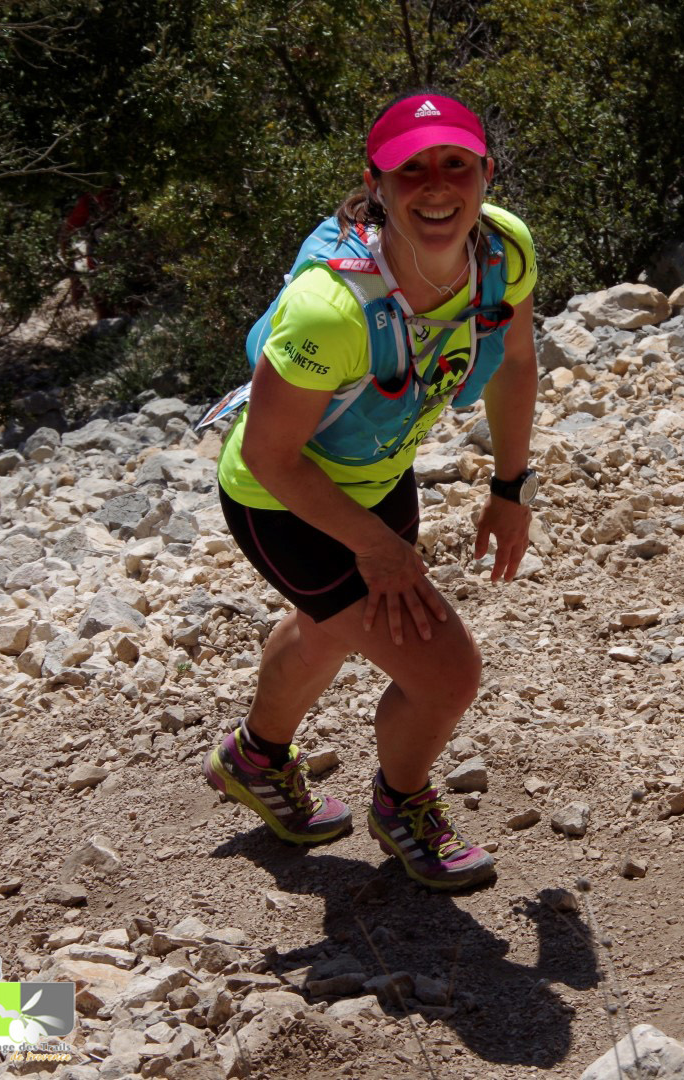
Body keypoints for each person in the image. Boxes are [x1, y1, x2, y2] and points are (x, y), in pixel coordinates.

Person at [203, 91, 539, 891]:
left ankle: (254, 760)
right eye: (410, 168)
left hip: (377, 475)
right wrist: (378, 547)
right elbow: (271, 454)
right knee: (447, 673)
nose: (435, 185)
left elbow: (517, 362)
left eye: (455, 163)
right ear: (376, 184)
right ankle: (403, 805)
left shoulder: (504, 254)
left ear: (485, 172)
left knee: (327, 629)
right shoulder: (330, 310)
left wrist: (511, 486)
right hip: (281, 500)